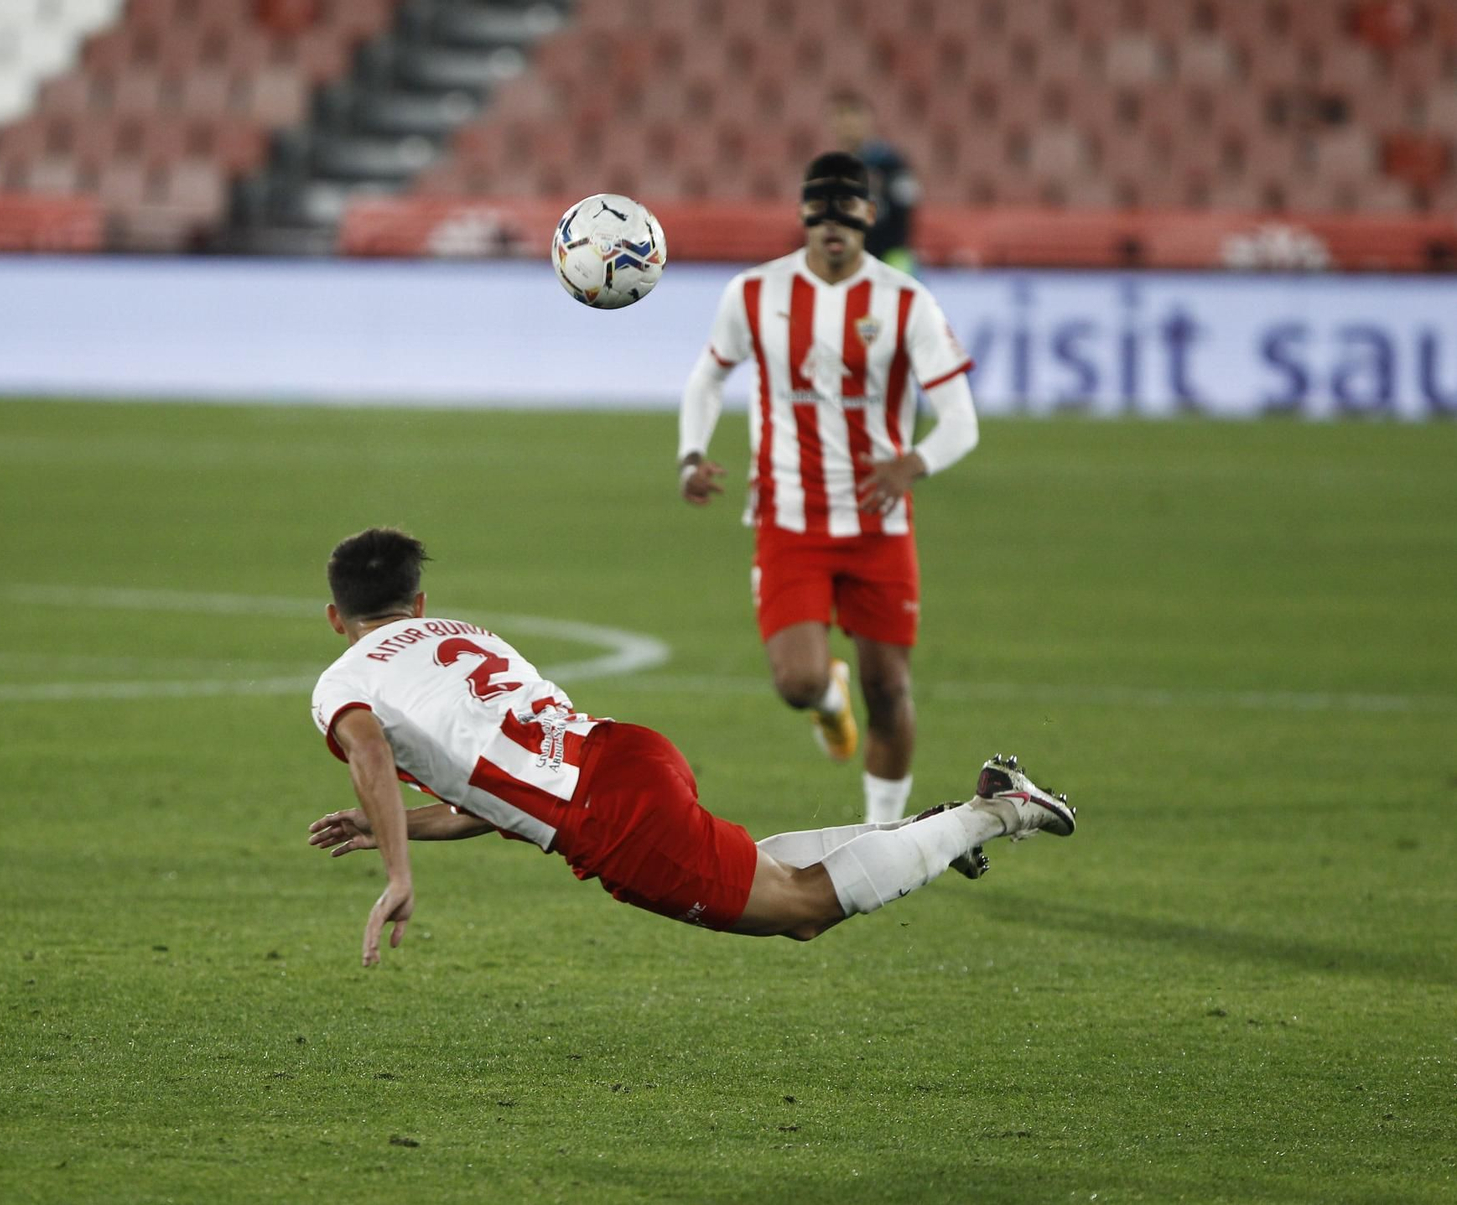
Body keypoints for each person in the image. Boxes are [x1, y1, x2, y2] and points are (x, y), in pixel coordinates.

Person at [305, 527, 1073, 965]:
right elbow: (497, 793)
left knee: (802, 908)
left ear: (337, 617)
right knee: (773, 874)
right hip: (628, 754)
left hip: (609, 816)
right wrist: (394, 824)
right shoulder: (468, 635)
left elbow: (370, 755)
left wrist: (397, 867)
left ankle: (993, 811)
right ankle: (925, 835)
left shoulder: (344, 681)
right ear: (420, 602)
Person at [678, 150, 979, 825]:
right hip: (789, 518)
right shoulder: (755, 292)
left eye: (847, 209)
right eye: (819, 208)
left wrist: (913, 463)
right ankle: (827, 699)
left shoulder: (906, 302)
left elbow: (962, 420)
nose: (832, 222)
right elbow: (708, 376)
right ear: (802, 214)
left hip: (878, 521)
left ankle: (882, 837)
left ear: (870, 214)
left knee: (889, 688)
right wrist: (690, 455)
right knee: (798, 682)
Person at [829, 90, 920, 272]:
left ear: (868, 120)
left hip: (889, 257)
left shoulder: (890, 163)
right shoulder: (830, 169)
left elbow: (905, 210)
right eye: (840, 116)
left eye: (854, 115)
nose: (847, 123)